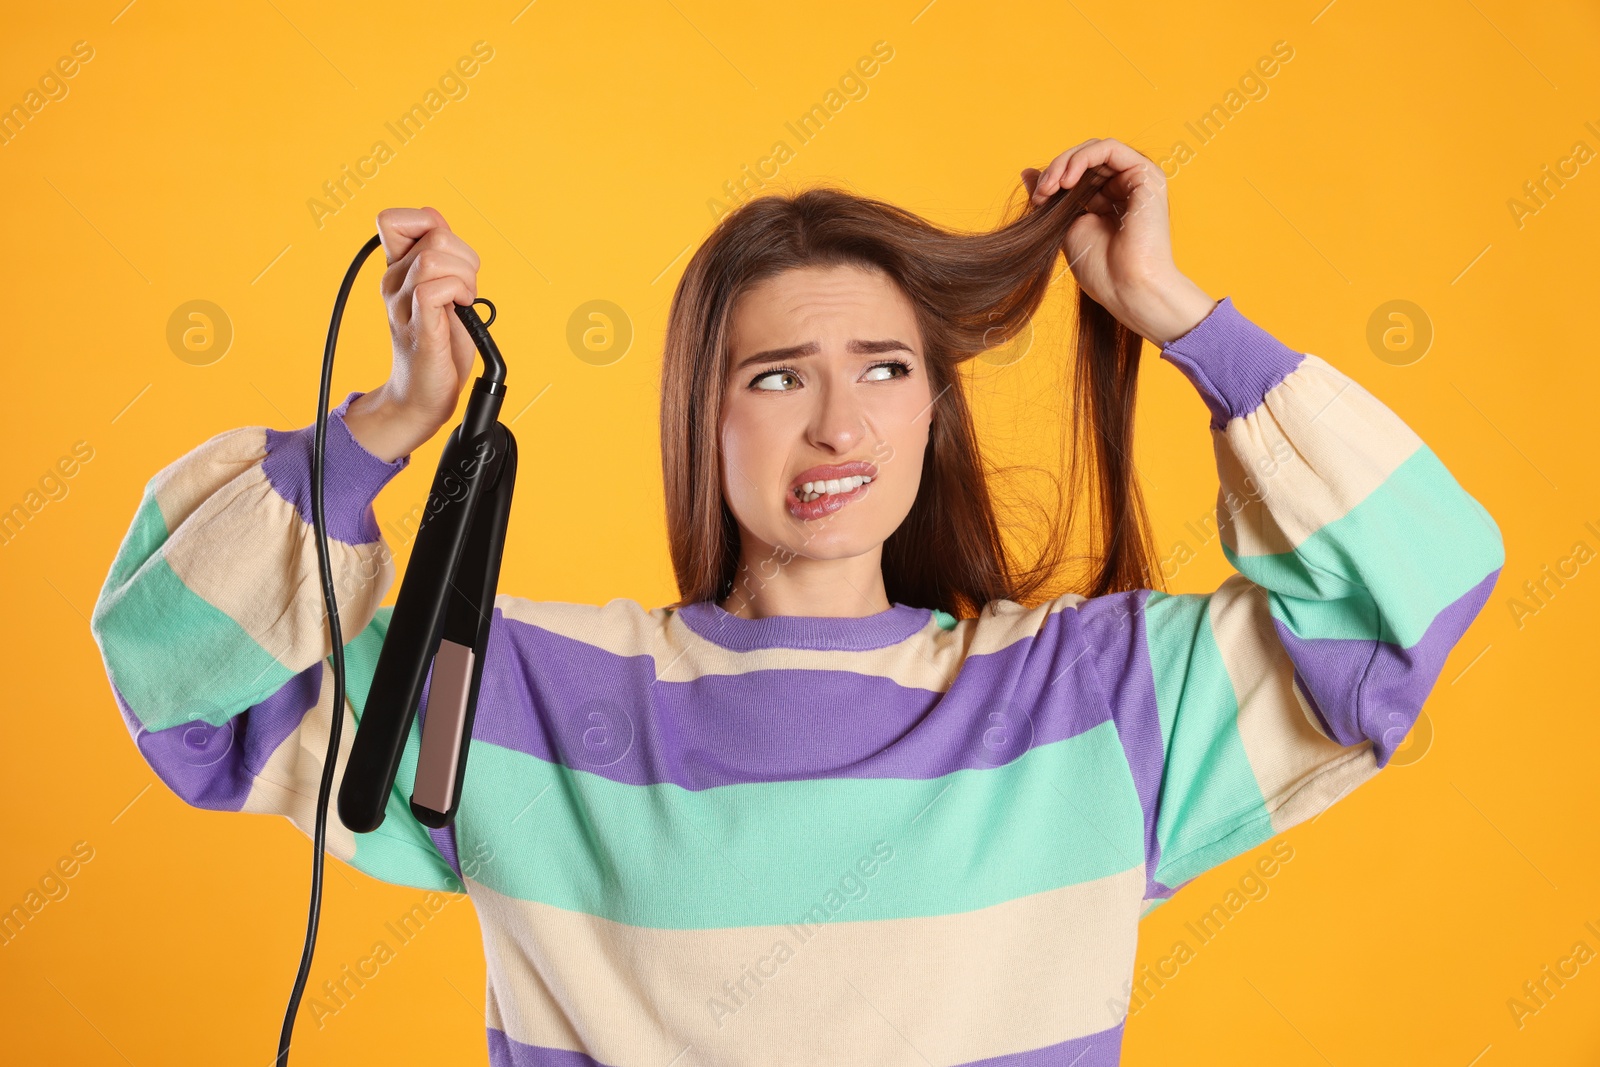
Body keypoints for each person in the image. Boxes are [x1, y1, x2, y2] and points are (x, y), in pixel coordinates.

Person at [90, 138, 1504, 1065]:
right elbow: (188, 683)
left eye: (887, 369)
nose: (841, 427)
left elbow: (1416, 588)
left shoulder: (1099, 703)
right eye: (776, 378)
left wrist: (1180, 312)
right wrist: (394, 418)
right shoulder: (522, 692)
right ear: (698, 422)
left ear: (936, 412)